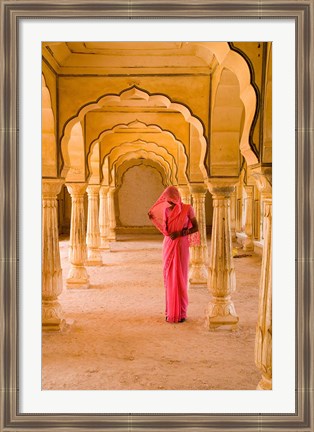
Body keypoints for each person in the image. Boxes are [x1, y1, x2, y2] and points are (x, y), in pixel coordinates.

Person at [148, 186, 200, 323]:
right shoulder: (166, 211)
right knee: (170, 278)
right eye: (167, 199)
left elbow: (196, 227)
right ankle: (170, 312)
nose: (169, 202)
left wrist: (181, 233)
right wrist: (153, 218)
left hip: (181, 245)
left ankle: (181, 313)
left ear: (177, 197)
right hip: (169, 245)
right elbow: (166, 231)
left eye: (171, 199)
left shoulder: (188, 209)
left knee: (180, 278)